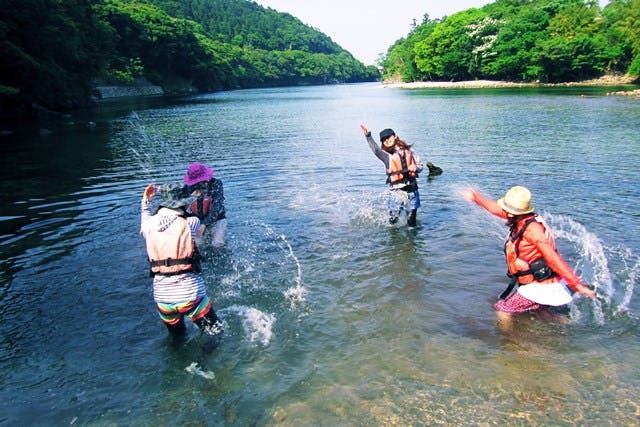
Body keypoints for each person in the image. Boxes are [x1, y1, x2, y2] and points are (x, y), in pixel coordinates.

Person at [463, 185, 596, 324]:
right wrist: (476, 197)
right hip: (540, 282)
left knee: (503, 309)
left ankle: (512, 343)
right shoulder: (521, 218)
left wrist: (576, 284)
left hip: (542, 286)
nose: (505, 213)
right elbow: (497, 210)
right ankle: (569, 324)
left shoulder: (533, 230)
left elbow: (552, 257)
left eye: (508, 211)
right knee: (540, 310)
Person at [140, 183, 224, 340]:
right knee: (216, 333)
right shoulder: (191, 222)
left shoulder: (147, 225)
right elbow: (192, 216)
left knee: (178, 339)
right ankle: (200, 364)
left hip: (162, 298)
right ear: (184, 203)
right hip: (191, 295)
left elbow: (146, 214)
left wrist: (146, 201)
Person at [360, 124, 424, 226]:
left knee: (412, 223)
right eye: (384, 139)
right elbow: (376, 150)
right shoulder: (385, 156)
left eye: (388, 137)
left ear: (395, 136)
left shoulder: (409, 151)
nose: (387, 140)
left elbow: (420, 166)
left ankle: (411, 240)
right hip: (396, 193)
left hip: (412, 191)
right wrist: (368, 136)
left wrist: (416, 169)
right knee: (393, 222)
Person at [182, 162, 227, 247]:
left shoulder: (216, 184)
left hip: (217, 219)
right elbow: (183, 208)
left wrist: (204, 224)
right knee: (196, 244)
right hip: (197, 221)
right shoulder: (188, 188)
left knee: (217, 243)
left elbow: (217, 207)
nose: (202, 184)